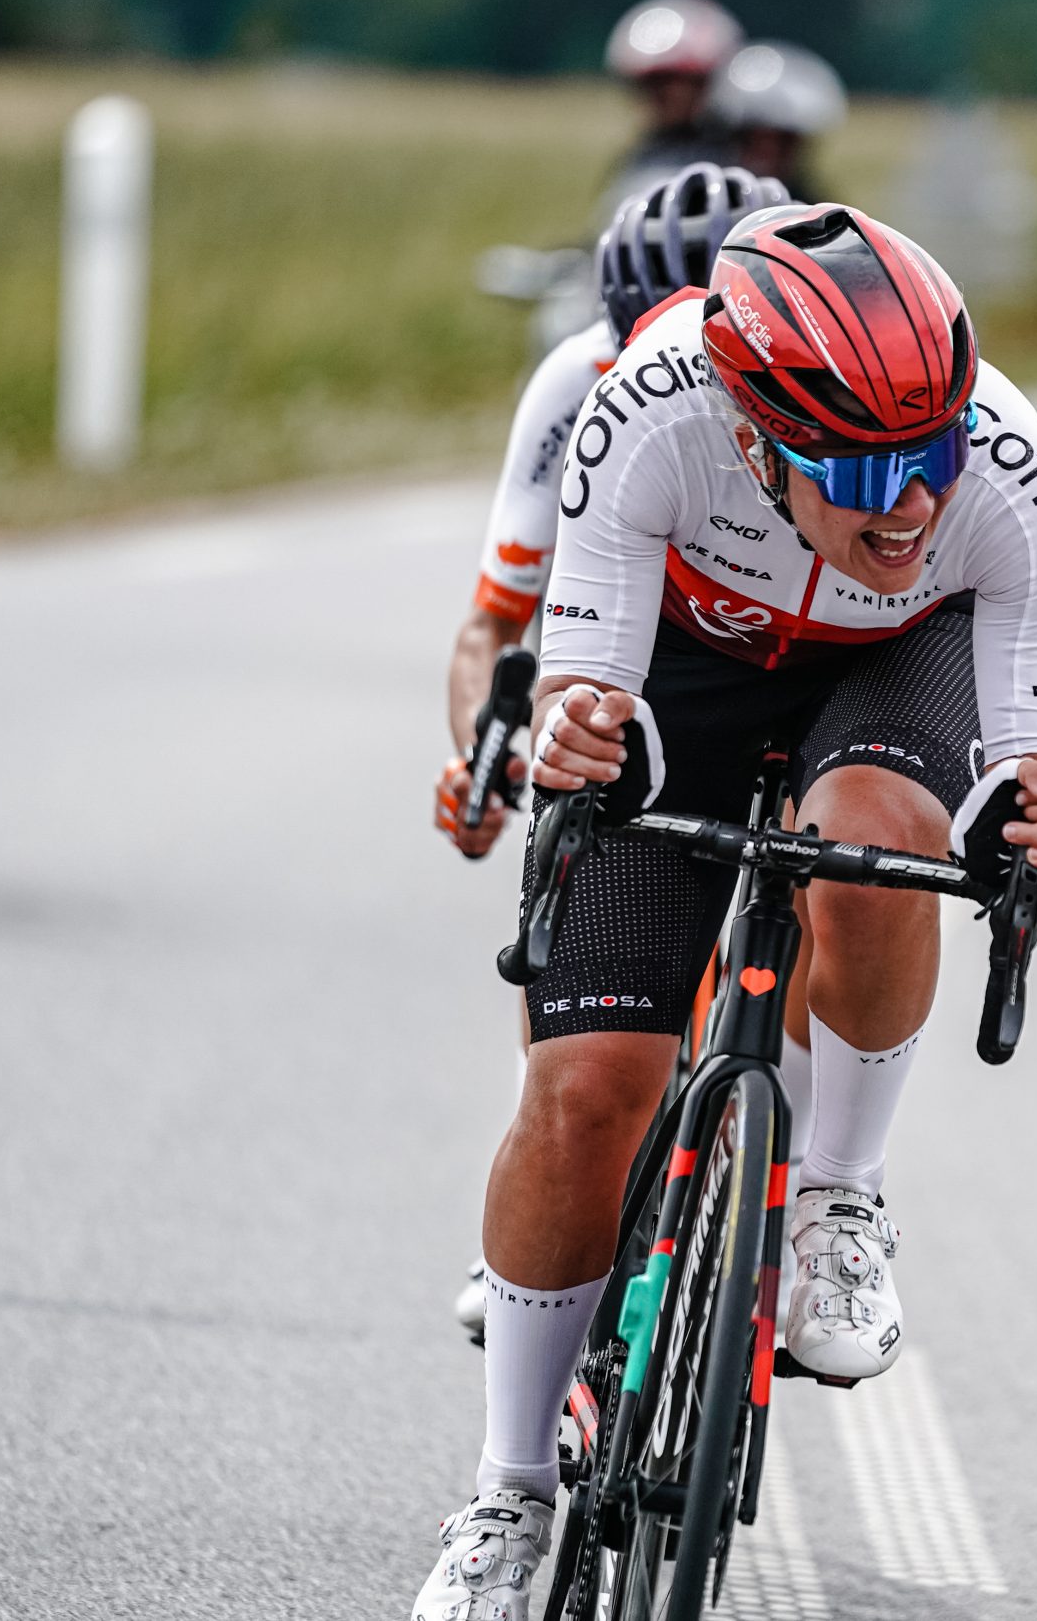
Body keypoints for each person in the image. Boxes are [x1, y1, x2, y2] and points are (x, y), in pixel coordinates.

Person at [411, 204, 1037, 1621]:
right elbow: (587, 676)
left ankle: (838, 1194)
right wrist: (578, 735)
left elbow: (1029, 755)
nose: (906, 502)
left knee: (873, 833)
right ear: (756, 435)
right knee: (586, 1084)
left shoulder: (1018, 481)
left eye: (930, 455)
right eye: (861, 465)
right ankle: (509, 1489)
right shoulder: (644, 409)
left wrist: (1036, 815)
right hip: (692, 654)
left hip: (905, 658)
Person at [431, 164, 789, 1347]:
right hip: (626, 651)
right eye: (653, 339)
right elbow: (493, 621)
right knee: (573, 855)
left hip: (778, 656)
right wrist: (490, 760)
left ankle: (773, 1164)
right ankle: (556, 1171)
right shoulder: (579, 378)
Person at [600, 0, 745, 220]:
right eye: (653, 84)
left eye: (676, 82)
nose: (663, 95)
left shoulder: (738, 157)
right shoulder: (641, 155)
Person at [707, 39, 848, 203]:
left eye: (783, 141)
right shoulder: (700, 199)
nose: (767, 152)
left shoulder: (818, 212)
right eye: (754, 139)